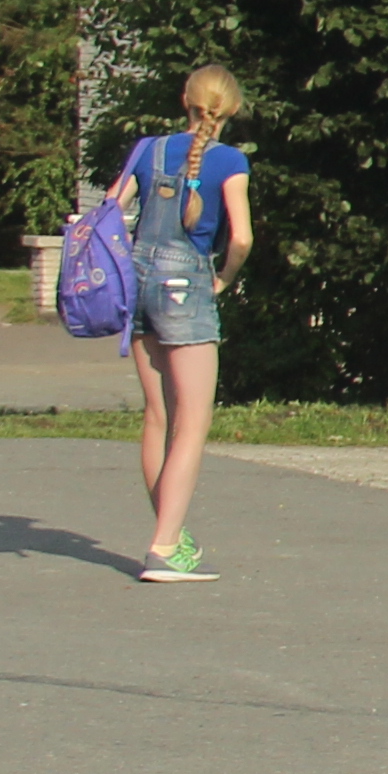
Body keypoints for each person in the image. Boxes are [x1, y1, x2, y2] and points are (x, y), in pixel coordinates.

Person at [109, 66, 253, 583]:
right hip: (188, 284)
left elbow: (110, 208)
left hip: (139, 284)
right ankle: (166, 547)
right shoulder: (230, 161)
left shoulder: (147, 150)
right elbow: (240, 239)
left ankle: (169, 536)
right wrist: (223, 280)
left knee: (156, 417)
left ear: (185, 101)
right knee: (193, 421)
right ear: (230, 110)